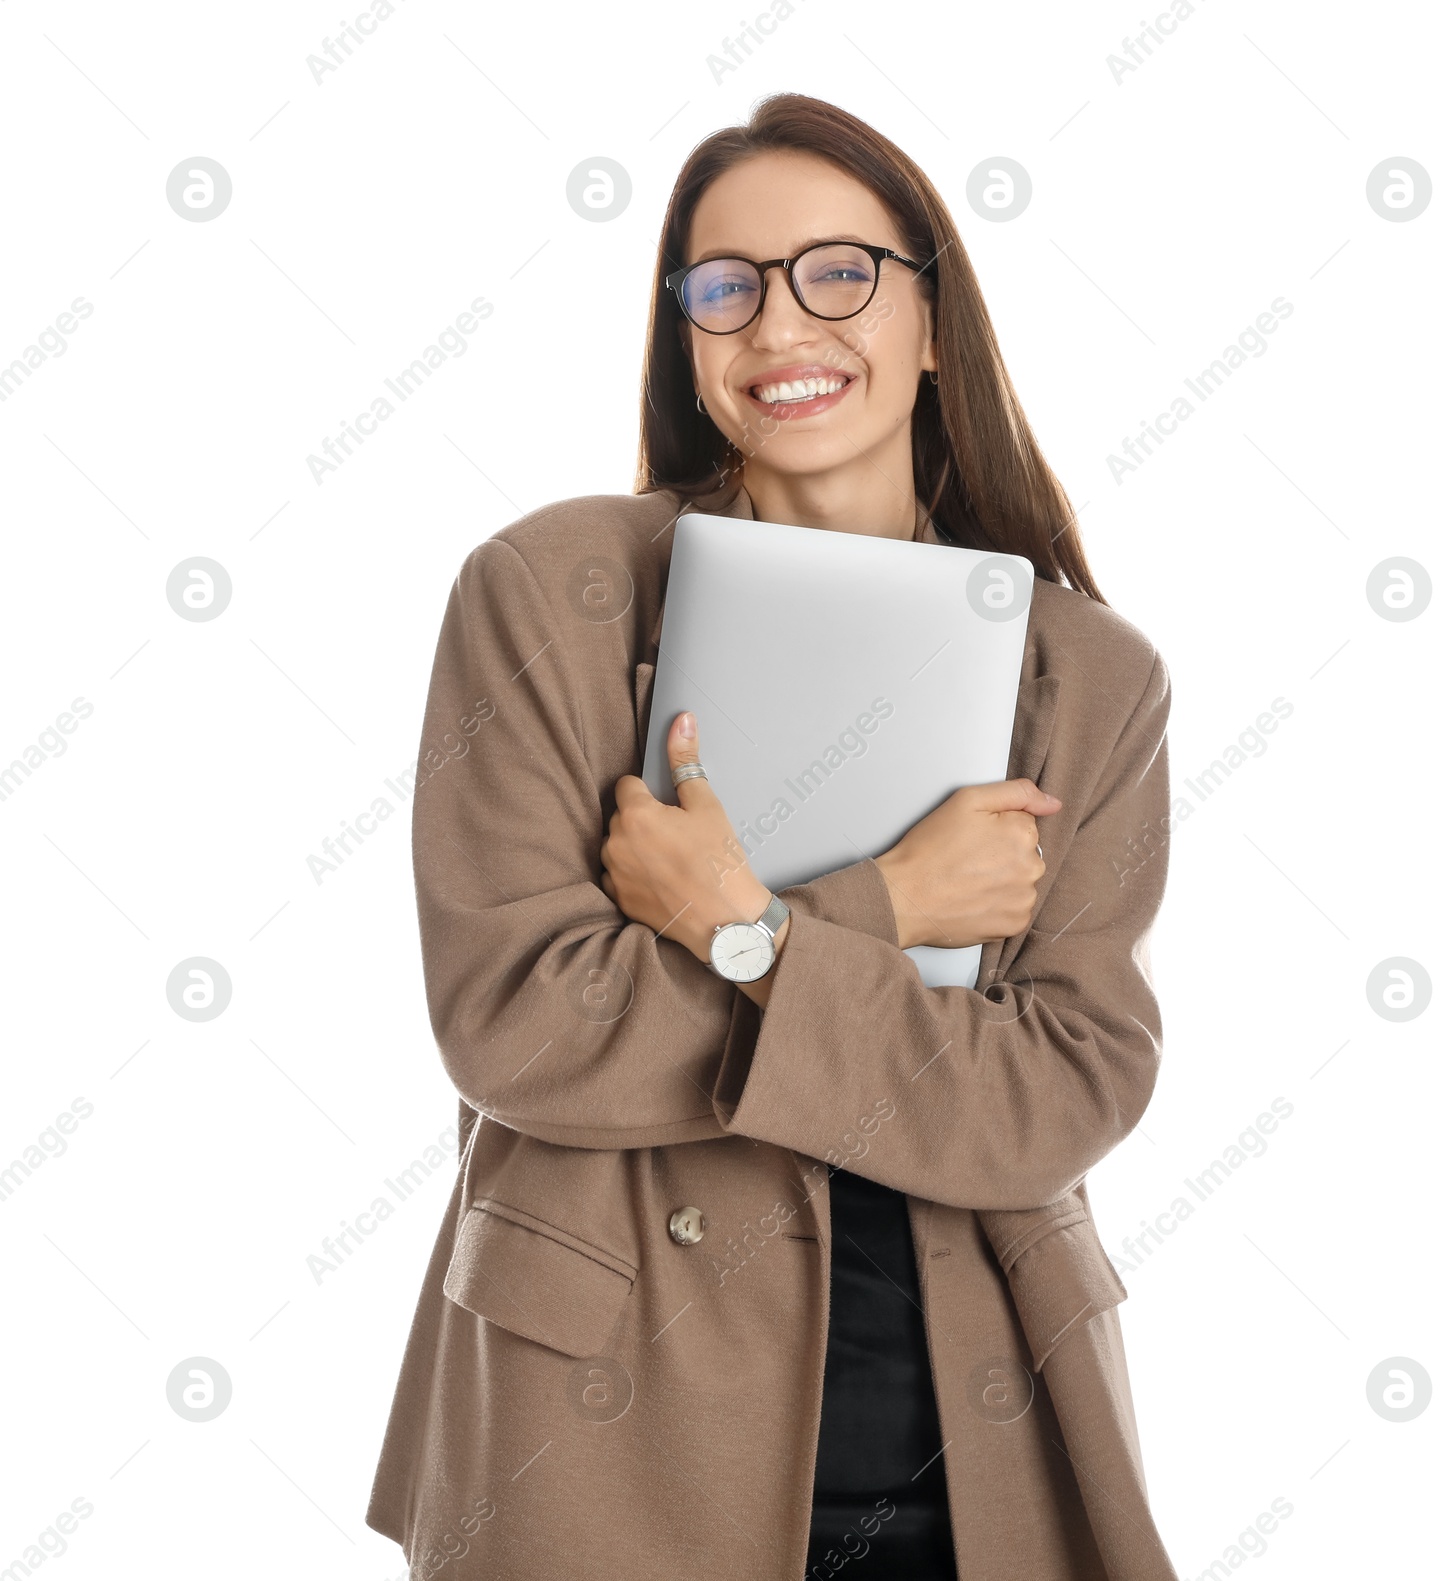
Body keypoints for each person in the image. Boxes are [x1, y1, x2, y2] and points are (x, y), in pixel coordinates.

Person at [367, 91, 1180, 1580]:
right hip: (604, 1434)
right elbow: (522, 1030)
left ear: (937, 322)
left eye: (840, 273)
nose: (780, 324)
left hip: (978, 1423)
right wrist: (885, 902)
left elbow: (1062, 1094)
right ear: (687, 335)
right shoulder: (549, 592)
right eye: (725, 288)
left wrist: (742, 923)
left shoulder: (1089, 676)